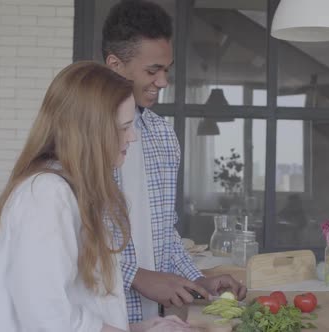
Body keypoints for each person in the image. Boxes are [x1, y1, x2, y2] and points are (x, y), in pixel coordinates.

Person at [0, 61, 197, 332]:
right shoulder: (45, 195)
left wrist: (141, 327)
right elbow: (47, 320)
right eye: (124, 127)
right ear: (89, 133)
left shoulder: (74, 191)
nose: (132, 137)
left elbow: (81, 311)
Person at [102, 0, 247, 323]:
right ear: (114, 65)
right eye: (152, 70)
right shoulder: (79, 138)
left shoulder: (163, 137)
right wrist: (136, 275)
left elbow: (164, 232)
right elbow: (71, 245)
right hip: (97, 317)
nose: (163, 81)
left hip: (154, 320)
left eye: (166, 69)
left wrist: (197, 280)